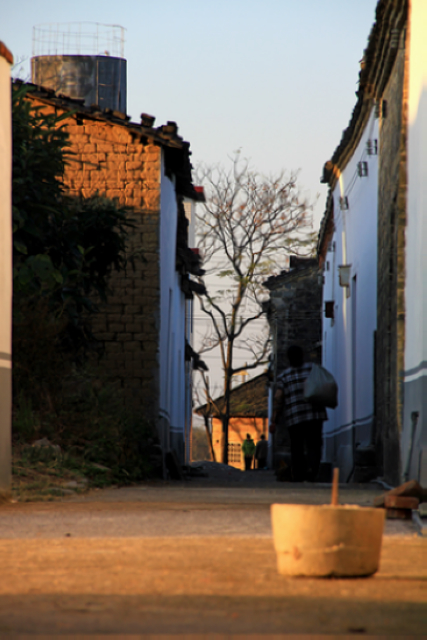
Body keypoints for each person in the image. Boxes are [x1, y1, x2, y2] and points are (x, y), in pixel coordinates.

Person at [270, 345, 327, 482]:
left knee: (297, 448)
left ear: (288, 359)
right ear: (302, 355)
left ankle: (299, 475)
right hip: (315, 416)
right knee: (314, 445)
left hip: (295, 419)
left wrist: (274, 420)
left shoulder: (284, 376)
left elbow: (278, 399)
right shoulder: (313, 369)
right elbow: (324, 387)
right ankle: (313, 472)